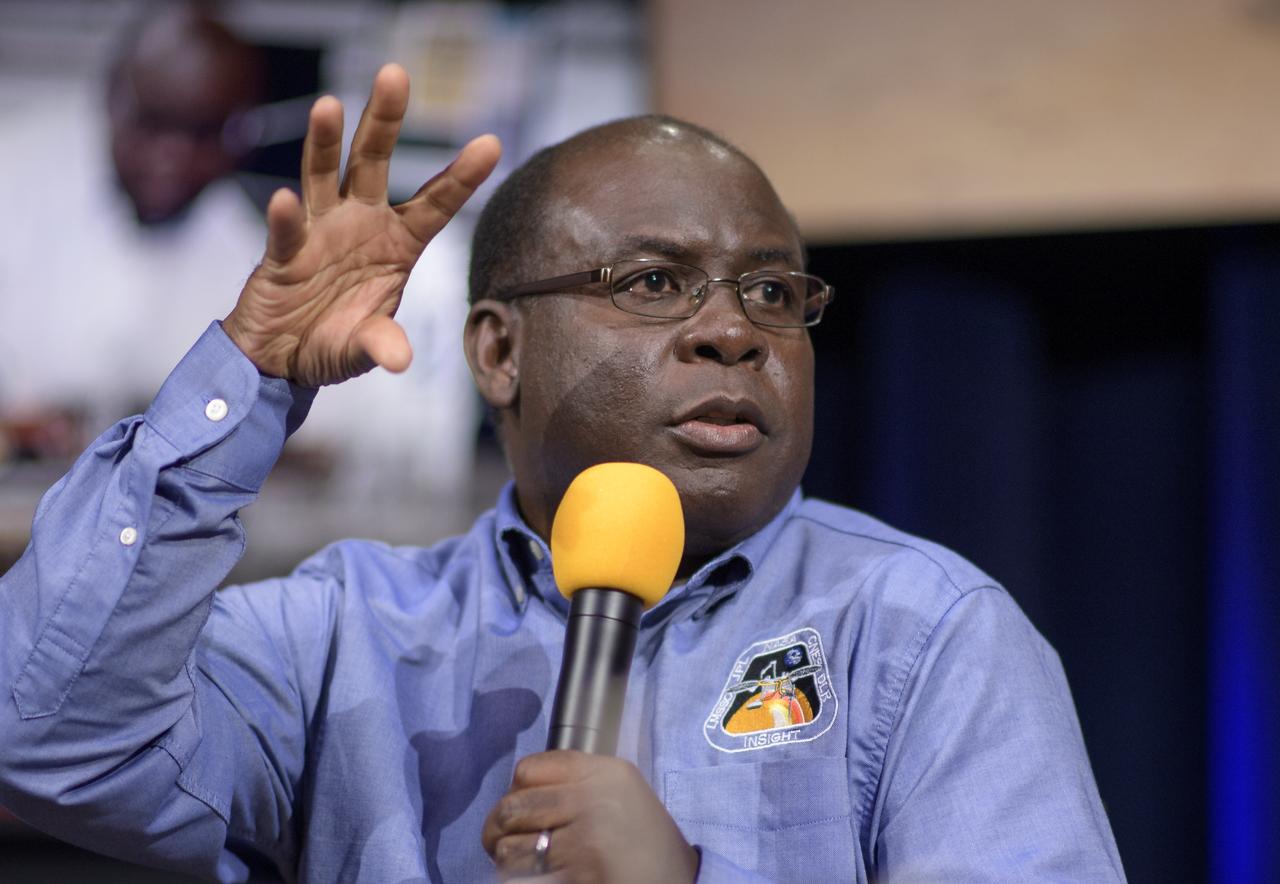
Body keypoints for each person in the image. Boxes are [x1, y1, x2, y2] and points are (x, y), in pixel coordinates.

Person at [0, 64, 1126, 882]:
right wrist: (247, 377)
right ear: (498, 349)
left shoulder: (927, 631)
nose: (732, 333)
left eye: (773, 293)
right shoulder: (343, 633)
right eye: (650, 282)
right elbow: (41, 733)